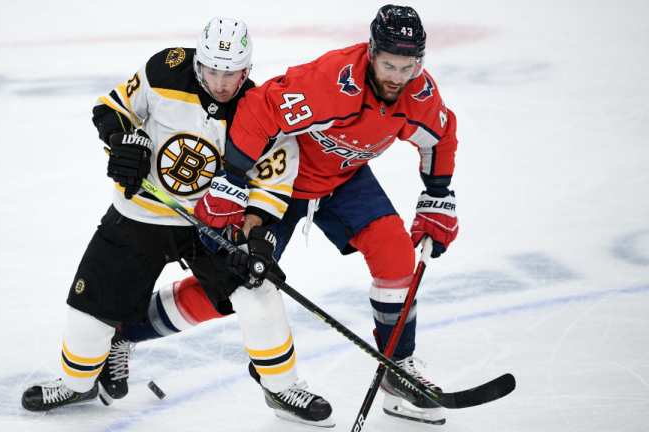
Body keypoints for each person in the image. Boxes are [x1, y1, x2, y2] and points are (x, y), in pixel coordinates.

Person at [126, 4, 459, 426]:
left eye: (407, 67)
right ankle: (128, 332)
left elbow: (439, 136)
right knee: (233, 285)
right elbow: (261, 108)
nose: (396, 76)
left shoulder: (419, 94)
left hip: (345, 180)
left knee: (396, 254)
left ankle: (397, 372)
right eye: (388, 64)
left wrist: (438, 195)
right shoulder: (331, 82)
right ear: (371, 53)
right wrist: (232, 179)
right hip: (281, 180)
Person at [20, 17, 334, 426]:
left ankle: (281, 387)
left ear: (249, 69)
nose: (222, 83)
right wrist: (122, 144)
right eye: (213, 71)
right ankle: (77, 381)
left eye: (233, 73)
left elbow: (272, 180)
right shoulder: (163, 70)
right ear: (198, 61)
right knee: (91, 306)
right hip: (141, 212)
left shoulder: (262, 108)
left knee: (259, 295)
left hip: (213, 225)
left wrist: (257, 236)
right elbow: (112, 110)